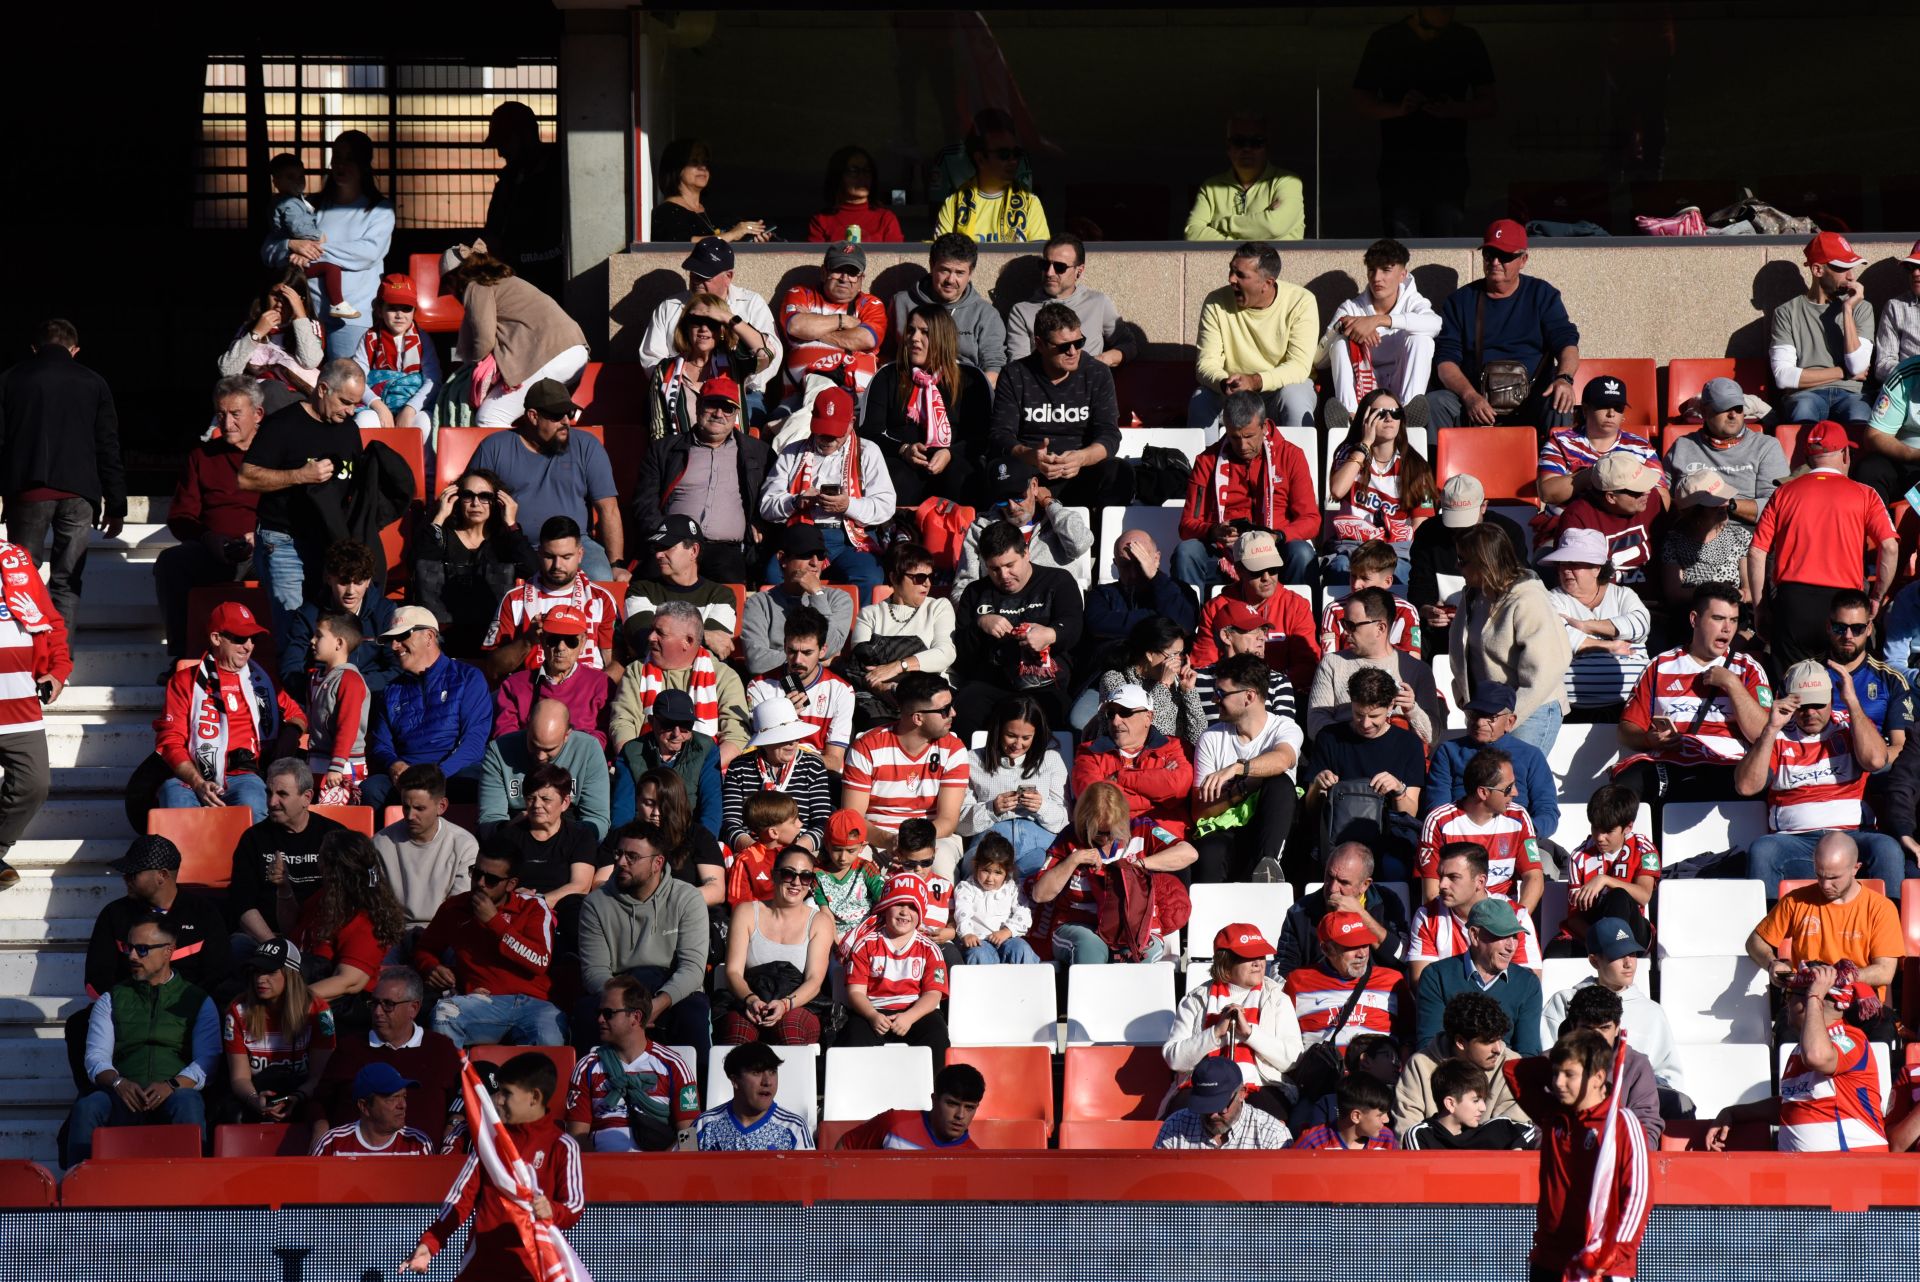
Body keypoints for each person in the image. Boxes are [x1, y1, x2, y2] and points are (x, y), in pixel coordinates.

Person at [405, 1052, 584, 1276]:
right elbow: (460, 1200)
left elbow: (574, 1206)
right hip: (481, 1267)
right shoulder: (489, 1143)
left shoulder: (563, 1146)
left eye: (506, 1093)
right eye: (498, 1092)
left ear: (534, 1098)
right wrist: (429, 1244)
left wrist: (552, 1210)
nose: (497, 1099)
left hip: (534, 1268)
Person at [1737, 660, 1903, 893]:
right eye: (1802, 705)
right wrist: (1770, 729)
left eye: (1817, 703)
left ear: (1830, 699)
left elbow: (1876, 760)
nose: (1810, 712)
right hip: (1794, 840)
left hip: (1851, 835)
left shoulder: (1848, 725)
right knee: (1763, 850)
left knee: (1887, 848)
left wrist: (1853, 702)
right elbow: (1746, 787)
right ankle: (1770, 927)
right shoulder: (1778, 734)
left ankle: (1889, 925)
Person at [64, 916, 219, 1164]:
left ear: (168, 951)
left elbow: (208, 1060)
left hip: (173, 1094)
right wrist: (118, 1083)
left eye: (142, 949)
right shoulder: (112, 998)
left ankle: (192, 1190)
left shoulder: (199, 1000)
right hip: (122, 1093)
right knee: (88, 1106)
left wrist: (171, 1085)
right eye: (129, 948)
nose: (132, 956)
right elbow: (95, 1058)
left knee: (188, 1101)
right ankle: (77, 1191)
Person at [1748, 420, 1898, 667]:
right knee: (1840, 690)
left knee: (1789, 693)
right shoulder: (1865, 494)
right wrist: (1876, 597)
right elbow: (1890, 547)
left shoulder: (1783, 493)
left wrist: (1760, 607)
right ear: (1845, 453)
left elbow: (1756, 552)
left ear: (1807, 456)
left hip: (1793, 603)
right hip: (1844, 606)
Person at [238, 357, 366, 644]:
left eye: (356, 404)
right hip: (285, 540)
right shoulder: (283, 424)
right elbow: (245, 478)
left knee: (327, 632)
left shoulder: (349, 429)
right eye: (346, 401)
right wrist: (300, 475)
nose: (351, 411)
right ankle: (290, 686)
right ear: (323, 389)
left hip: (327, 542)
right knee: (294, 626)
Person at [1612, 583, 1771, 806]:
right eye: (1718, 618)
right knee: (1624, 786)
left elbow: (1762, 734)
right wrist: (1649, 739)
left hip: (1728, 765)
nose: (1727, 628)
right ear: (1694, 619)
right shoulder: (1660, 666)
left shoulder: (1748, 668)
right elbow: (1626, 731)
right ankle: (1633, 842)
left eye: (1733, 620)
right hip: (1672, 764)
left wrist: (1733, 685)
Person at [1709, 960, 1887, 1155]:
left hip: (1851, 1168)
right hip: (1805, 1173)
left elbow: (1816, 1057)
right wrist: (1734, 1113)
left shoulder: (1851, 1039)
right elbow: (1791, 1104)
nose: (1786, 1003)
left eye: (1791, 995)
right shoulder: (1800, 1049)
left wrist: (1813, 995)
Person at [1351, 7, 1497, 237]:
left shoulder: (1465, 39)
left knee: (1444, 241)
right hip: (1399, 166)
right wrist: (1398, 109)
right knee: (1399, 245)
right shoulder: (1386, 40)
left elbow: (1489, 103)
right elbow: (1361, 102)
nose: (1434, 35)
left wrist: (1452, 109)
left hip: (1448, 167)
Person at [153, 603, 305, 823]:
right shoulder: (184, 681)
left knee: (253, 801)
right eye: (240, 638)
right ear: (216, 638)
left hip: (245, 775)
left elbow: (297, 714)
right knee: (174, 796)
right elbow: (170, 741)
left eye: (253, 639)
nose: (249, 646)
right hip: (193, 777)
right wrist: (198, 782)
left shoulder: (262, 680)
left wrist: (289, 736)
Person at [577, 821, 712, 1059]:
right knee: (587, 1011)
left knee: (694, 1012)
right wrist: (625, 1008)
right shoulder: (595, 904)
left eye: (632, 856)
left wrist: (655, 1005)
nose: (620, 862)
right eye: (618, 853)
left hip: (671, 991)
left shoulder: (687, 898)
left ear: (657, 863)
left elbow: (692, 969)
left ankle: (695, 1092)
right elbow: (594, 972)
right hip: (619, 991)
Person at [1427, 220, 1580, 430]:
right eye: (1489, 254)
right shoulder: (1461, 300)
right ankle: (1438, 463)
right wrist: (1470, 396)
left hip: (1531, 401)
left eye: (1505, 255)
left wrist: (1564, 380)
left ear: (1523, 259)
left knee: (1560, 402)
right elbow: (1445, 362)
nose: (1495, 262)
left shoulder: (1542, 294)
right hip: (1477, 403)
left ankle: (1555, 463)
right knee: (1436, 403)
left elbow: (1567, 343)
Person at [468, 380, 626, 582]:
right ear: (533, 416)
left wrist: (616, 565)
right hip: (513, 544)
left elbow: (608, 509)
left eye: (568, 414)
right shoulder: (494, 447)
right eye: (557, 415)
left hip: (575, 545)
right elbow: (469, 499)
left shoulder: (587, 446)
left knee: (601, 578)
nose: (566, 421)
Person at [1027, 782, 1196, 966]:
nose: (1107, 838)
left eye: (1113, 831)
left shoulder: (1141, 828)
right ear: (1085, 821)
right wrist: (1073, 860)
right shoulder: (1069, 838)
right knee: (1090, 947)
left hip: (1133, 924)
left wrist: (1140, 864)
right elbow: (1040, 894)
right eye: (1100, 832)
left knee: (1138, 951)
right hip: (1081, 923)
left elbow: (1189, 853)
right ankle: (1091, 994)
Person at [1528, 1030, 1651, 1282]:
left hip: (1599, 1265)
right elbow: (1514, 1071)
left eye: (1569, 1074)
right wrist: (1567, 1052)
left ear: (1598, 1078)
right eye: (1554, 1073)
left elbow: (1638, 1196)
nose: (1558, 1083)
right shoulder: (1554, 1115)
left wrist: (1610, 1255)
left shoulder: (1622, 1123)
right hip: (1549, 1259)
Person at [413, 844, 562, 1050]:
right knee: (444, 1014)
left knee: (549, 1037)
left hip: (534, 1005)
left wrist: (494, 921)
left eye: (491, 880)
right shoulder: (454, 907)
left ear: (511, 884)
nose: (480, 883)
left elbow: (539, 961)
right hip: (482, 1002)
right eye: (476, 874)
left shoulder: (533, 907)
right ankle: (456, 1081)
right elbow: (424, 949)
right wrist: (431, 967)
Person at [156, 377, 263, 662]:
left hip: (262, 551)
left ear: (258, 414)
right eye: (221, 414)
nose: (227, 424)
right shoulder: (203, 456)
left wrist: (260, 536)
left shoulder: (274, 453)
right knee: (171, 563)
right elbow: (181, 516)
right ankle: (182, 657)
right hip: (214, 550)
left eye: (236, 414)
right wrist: (207, 538)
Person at [263, 131, 394, 358]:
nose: (341, 164)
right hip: (304, 314)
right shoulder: (308, 206)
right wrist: (292, 244)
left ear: (364, 164)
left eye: (350, 158)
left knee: (343, 385)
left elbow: (368, 253)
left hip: (353, 318)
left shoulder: (380, 209)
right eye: (337, 157)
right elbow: (268, 252)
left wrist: (313, 251)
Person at [759, 390, 895, 606]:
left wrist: (848, 504)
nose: (827, 439)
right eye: (823, 432)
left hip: (850, 540)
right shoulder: (793, 452)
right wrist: (796, 502)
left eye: (835, 433)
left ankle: (857, 638)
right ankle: (789, 636)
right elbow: (767, 505)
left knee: (869, 577)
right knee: (775, 575)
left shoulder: (868, 451)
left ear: (851, 423)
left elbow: (886, 506)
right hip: (803, 537)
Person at [1747, 833, 1902, 1018]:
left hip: (1859, 1004)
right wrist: (1772, 963)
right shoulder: (1796, 901)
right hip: (1806, 1002)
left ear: (1856, 868)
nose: (1825, 885)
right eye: (1819, 875)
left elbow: (1884, 972)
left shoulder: (1880, 908)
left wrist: (1837, 978)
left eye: (1834, 877)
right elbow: (1755, 941)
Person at [1175, 390, 1319, 590]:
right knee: (1187, 552)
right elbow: (1187, 525)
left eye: (1249, 436)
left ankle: (1299, 619)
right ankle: (1188, 620)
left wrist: (1278, 536)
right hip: (1224, 554)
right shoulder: (1207, 461)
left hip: (1275, 551)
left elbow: (1311, 520)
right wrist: (1213, 531)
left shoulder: (1290, 456)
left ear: (1264, 426)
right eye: (1234, 437)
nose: (1242, 445)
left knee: (1302, 553)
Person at [988, 303, 1126, 509]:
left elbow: (1109, 435)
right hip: (1030, 472)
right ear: (1040, 344)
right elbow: (1000, 435)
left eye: (1079, 343)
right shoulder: (1015, 374)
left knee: (1119, 472)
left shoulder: (1097, 373)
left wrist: (1082, 458)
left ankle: (1098, 537)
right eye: (1063, 346)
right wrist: (1031, 456)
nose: (1073, 351)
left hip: (1080, 471)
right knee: (998, 469)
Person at [952, 521, 1086, 734]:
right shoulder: (975, 592)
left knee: (1060, 714)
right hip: (990, 683)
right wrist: (979, 625)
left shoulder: (1057, 581)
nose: (1004, 575)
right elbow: (960, 654)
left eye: (1010, 565)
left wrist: (1051, 634)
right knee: (963, 710)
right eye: (994, 569)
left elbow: (1075, 626)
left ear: (1026, 554)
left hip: (1044, 683)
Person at [1448, 523, 1571, 753]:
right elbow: (1463, 651)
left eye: (1463, 560)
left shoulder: (1528, 598)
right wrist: (1463, 693)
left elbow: (1547, 668)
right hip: (1487, 713)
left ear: (1485, 562)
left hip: (1530, 711)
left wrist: (1508, 716)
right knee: (1487, 785)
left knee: (1514, 785)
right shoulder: (1474, 594)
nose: (1457, 565)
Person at [632, 393, 770, 594]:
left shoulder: (759, 452)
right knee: (645, 591)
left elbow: (773, 493)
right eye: (712, 406)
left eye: (727, 409)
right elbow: (644, 503)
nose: (718, 414)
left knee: (732, 596)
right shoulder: (664, 450)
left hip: (725, 550)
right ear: (697, 407)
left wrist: (760, 521)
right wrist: (663, 537)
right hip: (673, 544)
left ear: (736, 415)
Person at [309, 966, 463, 1145]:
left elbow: (463, 1099)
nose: (377, 1012)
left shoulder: (440, 1049)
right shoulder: (350, 1048)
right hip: (354, 1163)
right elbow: (318, 1102)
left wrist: (454, 1122)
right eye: (374, 1003)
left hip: (423, 1165)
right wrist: (319, 1127)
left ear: (413, 1008)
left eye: (388, 1004)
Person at [1539, 916, 1685, 1102]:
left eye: (1632, 953)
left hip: (1637, 1101)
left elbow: (1669, 1074)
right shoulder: (1565, 1001)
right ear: (1594, 961)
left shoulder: (1652, 1012)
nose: (1629, 963)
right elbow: (1548, 1062)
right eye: (1618, 955)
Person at [362, 607, 492, 813]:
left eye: (402, 636)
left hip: (453, 773)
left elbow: (474, 742)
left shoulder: (468, 678)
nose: (394, 646)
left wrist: (437, 776)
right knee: (372, 789)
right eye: (392, 640)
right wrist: (394, 764)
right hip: (408, 778)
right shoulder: (390, 690)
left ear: (429, 636)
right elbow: (381, 744)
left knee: (477, 781)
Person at [860, 304, 990, 508]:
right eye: (911, 330)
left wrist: (950, 452)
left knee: (961, 476)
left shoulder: (970, 378)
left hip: (953, 458)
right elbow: (869, 432)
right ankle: (899, 534)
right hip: (903, 460)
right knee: (895, 477)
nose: (914, 338)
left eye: (925, 332)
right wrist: (903, 450)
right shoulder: (888, 376)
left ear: (942, 337)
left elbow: (982, 435)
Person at [1164, 924, 1303, 1112]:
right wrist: (1215, 1032)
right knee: (1181, 1116)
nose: (1259, 963)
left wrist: (1250, 1034)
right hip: (1204, 1086)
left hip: (1261, 1086)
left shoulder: (1278, 998)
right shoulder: (1195, 999)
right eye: (1248, 957)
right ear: (1225, 963)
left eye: (1261, 956)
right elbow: (1174, 1059)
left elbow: (1292, 1060)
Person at [638, 236, 782, 417]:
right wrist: (682, 386)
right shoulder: (670, 306)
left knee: (751, 427)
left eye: (704, 275)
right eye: (693, 273)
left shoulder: (750, 303)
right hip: (679, 392)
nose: (696, 280)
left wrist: (737, 380)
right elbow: (651, 358)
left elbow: (771, 355)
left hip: (742, 392)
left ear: (728, 276)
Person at [1192, 653, 1303, 883]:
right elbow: (1200, 811)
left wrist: (1237, 769)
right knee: (1210, 849)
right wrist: (1244, 788)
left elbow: (1283, 759)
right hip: (1228, 829)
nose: (1214, 699)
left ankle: (1268, 870)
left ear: (1249, 696)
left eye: (1221, 693)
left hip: (1271, 828)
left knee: (1279, 781)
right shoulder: (1211, 738)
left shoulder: (1284, 727)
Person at [1304, 669, 1426, 879]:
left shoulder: (1408, 744)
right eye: (1359, 714)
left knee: (1393, 867)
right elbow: (1310, 807)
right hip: (1338, 836)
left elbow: (1410, 813)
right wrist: (1317, 786)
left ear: (1390, 707)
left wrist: (1398, 789)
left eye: (1374, 716)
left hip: (1387, 838)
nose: (1366, 723)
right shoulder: (1330, 738)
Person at [840, 672, 970, 869]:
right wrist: (888, 840)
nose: (953, 713)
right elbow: (853, 817)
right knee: (854, 866)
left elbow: (948, 820)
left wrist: (912, 844)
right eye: (945, 710)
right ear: (918, 718)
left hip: (932, 838)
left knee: (940, 866)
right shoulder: (867, 746)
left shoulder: (953, 749)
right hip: (876, 838)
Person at [411, 468, 539, 660]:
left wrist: (511, 523)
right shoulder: (443, 536)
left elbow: (533, 569)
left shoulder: (504, 541)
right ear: (456, 499)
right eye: (467, 495)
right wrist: (439, 516)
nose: (475, 503)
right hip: (445, 636)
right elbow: (417, 565)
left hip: (490, 636)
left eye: (485, 496)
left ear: (497, 502)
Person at [0, 533, 67, 892]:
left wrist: (58, 671)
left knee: (34, 784)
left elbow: (51, 623)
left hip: (20, 703)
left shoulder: (16, 561)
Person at [1190, 242, 1318, 428]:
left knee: (1295, 397)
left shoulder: (1301, 302)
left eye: (1241, 275)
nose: (1231, 279)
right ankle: (1203, 457)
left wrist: (1255, 381)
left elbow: (1299, 367)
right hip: (1232, 395)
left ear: (1267, 283)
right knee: (1201, 399)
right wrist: (1225, 383)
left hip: (1278, 392)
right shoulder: (1215, 302)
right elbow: (1205, 364)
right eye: (1231, 271)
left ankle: (1298, 457)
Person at [606, 599, 751, 763]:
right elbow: (622, 722)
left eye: (660, 633)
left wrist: (698, 772)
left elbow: (737, 736)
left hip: (705, 772)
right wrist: (638, 766)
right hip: (646, 769)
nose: (651, 637)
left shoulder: (724, 676)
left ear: (688, 641)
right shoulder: (636, 671)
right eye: (652, 629)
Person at [85, 836, 229, 999]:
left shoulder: (203, 912)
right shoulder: (114, 914)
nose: (125, 879)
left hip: (187, 1012)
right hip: (127, 1012)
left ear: (162, 875)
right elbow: (97, 978)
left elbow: (218, 974)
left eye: (133, 874)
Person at [720, 845, 834, 1045]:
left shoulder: (819, 922)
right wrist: (751, 1000)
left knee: (790, 1028)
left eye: (805, 876)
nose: (797, 882)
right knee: (738, 1033)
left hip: (798, 1002)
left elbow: (814, 980)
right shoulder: (746, 912)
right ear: (774, 875)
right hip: (751, 996)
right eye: (789, 874)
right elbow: (733, 972)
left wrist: (785, 1004)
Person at [1324, 389, 1439, 587]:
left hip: (1395, 550)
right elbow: (1337, 490)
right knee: (1340, 568)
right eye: (1380, 413)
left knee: (1402, 573)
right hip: (1353, 546)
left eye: (1395, 413)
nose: (1389, 418)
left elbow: (1422, 525)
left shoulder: (1417, 467)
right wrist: (1365, 444)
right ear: (1365, 419)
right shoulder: (1348, 455)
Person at [482, 519, 620, 679]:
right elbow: (492, 668)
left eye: (566, 557)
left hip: (587, 694)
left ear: (580, 554)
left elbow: (616, 663)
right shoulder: (515, 599)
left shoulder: (601, 599)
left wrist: (591, 695)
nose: (557, 565)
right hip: (532, 692)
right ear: (539, 553)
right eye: (549, 556)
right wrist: (527, 641)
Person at [1315, 238, 1441, 413]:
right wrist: (1343, 329)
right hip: (1363, 389)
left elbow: (1435, 324)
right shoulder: (1352, 308)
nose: (1377, 278)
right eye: (1372, 270)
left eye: (1386, 270)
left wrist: (1380, 320)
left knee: (1422, 340)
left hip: (1400, 387)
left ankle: (1408, 416)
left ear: (1402, 275)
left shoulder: (1413, 301)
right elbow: (1319, 362)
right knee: (1340, 344)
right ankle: (1348, 417)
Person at [1408, 472, 1529, 652]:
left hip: (1496, 628)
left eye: (1466, 521)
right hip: (1442, 633)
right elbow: (1420, 585)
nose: (1460, 529)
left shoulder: (1508, 533)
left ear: (1484, 507)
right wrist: (1427, 609)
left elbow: (1520, 586)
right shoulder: (1428, 534)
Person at [1423, 682, 1560, 841]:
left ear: (1510, 721)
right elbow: (1437, 807)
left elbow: (1547, 811)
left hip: (1517, 839)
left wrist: (1525, 832)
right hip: (1461, 840)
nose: (1480, 722)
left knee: (1545, 865)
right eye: (1475, 714)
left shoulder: (1531, 756)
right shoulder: (1448, 751)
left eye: (1490, 717)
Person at [1305, 586, 1441, 746]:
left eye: (1352, 625)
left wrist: (1412, 710)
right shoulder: (1331, 663)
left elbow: (1433, 737)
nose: (1345, 631)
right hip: (1344, 753)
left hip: (1395, 758)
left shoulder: (1417, 670)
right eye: (1344, 623)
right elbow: (1315, 723)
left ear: (1380, 628)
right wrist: (1354, 737)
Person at [1188, 531, 1321, 694]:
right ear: (1238, 570)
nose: (1267, 577)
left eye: (1273, 569)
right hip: (1228, 696)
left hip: (1281, 694)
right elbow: (1203, 664)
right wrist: (1238, 689)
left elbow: (1307, 666)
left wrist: (1266, 687)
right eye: (1257, 571)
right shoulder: (1216, 608)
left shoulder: (1296, 605)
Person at [1417, 747, 1544, 914]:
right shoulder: (1439, 822)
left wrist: (1518, 919)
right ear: (1483, 792)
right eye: (1508, 788)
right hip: (1455, 919)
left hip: (1504, 918)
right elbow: (1432, 893)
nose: (1515, 792)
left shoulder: (1519, 817)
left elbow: (1534, 877)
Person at [223, 936, 334, 1123]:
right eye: (256, 972)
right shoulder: (237, 1009)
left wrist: (297, 1097)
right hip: (256, 1091)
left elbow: (318, 1077)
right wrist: (254, 1100)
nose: (260, 979)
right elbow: (239, 1078)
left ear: (290, 974)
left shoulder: (319, 1010)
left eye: (270, 972)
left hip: (302, 1093)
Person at [1771, 231, 1876, 426]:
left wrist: (1847, 309)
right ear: (1818, 270)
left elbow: (1858, 366)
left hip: (1851, 394)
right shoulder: (1786, 312)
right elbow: (1783, 377)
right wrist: (1843, 373)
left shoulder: (1861, 307)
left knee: (1861, 419)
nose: (1851, 276)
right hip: (1806, 395)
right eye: (1842, 268)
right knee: (1803, 413)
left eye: (1851, 267)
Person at [1542, 527, 1651, 712]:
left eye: (1574, 564)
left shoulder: (1622, 594)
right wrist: (1610, 645)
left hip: (1630, 706)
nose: (1566, 570)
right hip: (1573, 709)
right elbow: (1560, 638)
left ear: (1596, 568)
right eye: (1562, 564)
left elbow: (1640, 625)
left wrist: (1586, 626)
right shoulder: (1553, 599)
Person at [1414, 898, 1543, 1055]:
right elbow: (1430, 1046)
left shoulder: (1527, 983)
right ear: (1474, 935)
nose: (1511, 946)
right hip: (1451, 1073)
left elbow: (1528, 1054)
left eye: (1515, 936)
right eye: (1502, 936)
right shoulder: (1436, 976)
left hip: (1503, 1075)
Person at [1070, 681, 1195, 841]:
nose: (1116, 721)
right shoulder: (1089, 752)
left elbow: (1177, 789)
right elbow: (1097, 803)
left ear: (1148, 717)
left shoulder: (1175, 746)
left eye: (1125, 712)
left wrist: (1120, 777)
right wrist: (1157, 796)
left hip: (1166, 842)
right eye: (1111, 714)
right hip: (1112, 843)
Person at [952, 459, 1094, 598]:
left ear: (1034, 486)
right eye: (1002, 500)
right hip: (1000, 612)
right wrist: (983, 617)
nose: (1012, 507)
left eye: (1019, 497)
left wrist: (1049, 503)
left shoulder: (1059, 520)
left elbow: (1079, 545)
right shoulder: (980, 528)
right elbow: (963, 588)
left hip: (1051, 610)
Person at [960, 695, 1069, 876]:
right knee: (980, 872)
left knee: (1045, 870)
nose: (1017, 744)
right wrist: (991, 809)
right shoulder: (973, 760)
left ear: (1037, 735)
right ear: (998, 730)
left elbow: (1065, 821)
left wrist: (1042, 807)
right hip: (990, 842)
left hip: (1038, 841)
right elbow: (961, 824)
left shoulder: (1051, 760)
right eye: (1010, 736)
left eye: (1026, 737)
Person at [841, 874, 950, 1053]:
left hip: (916, 1012)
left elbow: (933, 995)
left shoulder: (930, 949)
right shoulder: (864, 944)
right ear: (885, 908)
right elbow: (855, 993)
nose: (904, 912)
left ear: (921, 913)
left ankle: (936, 1082)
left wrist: (909, 1017)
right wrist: (872, 1015)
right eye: (899, 904)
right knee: (852, 1038)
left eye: (912, 907)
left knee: (937, 1037)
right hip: (873, 1011)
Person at [1394, 990, 1529, 1134]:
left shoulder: (1512, 1066)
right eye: (1488, 1042)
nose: (1498, 1048)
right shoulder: (1420, 1065)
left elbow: (1512, 1131)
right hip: (1433, 1155)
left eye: (1499, 1039)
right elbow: (1407, 1131)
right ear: (1460, 1042)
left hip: (1490, 1155)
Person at [478, 763, 605, 916]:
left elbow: (580, 886)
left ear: (565, 803)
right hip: (512, 911)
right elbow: (493, 882)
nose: (537, 805)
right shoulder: (508, 837)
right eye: (531, 798)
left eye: (545, 799)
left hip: (561, 914)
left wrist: (536, 901)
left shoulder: (580, 837)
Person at [1407, 842, 1543, 981]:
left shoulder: (1517, 916)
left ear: (1480, 881)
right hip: (1449, 1003)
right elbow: (1422, 984)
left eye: (1453, 877)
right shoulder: (1427, 916)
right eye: (1440, 876)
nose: (1442, 885)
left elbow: (1529, 984)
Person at [478, 698, 611, 840]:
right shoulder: (499, 751)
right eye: (534, 745)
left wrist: (565, 838)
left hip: (570, 837)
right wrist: (511, 829)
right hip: (515, 837)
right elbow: (489, 822)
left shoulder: (588, 750)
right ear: (527, 727)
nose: (540, 756)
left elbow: (597, 819)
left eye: (549, 749)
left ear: (567, 735)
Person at [279, 540, 397, 699]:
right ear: (329, 578)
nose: (351, 591)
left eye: (358, 582)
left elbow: (397, 668)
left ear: (368, 581)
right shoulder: (309, 614)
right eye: (343, 582)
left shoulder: (384, 612)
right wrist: (320, 691)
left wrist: (356, 686)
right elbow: (290, 669)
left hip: (372, 698)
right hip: (322, 699)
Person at [1272, 842, 1409, 977]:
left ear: (1365, 885)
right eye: (1329, 876)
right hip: (1320, 994)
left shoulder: (1387, 903)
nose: (1332, 888)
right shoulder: (1300, 912)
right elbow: (1282, 970)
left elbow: (1402, 959)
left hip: (1375, 994)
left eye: (1343, 882)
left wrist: (1361, 915)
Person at [622, 515, 748, 660]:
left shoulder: (721, 595)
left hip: (704, 678)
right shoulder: (640, 590)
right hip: (652, 677)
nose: (658, 554)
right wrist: (704, 636)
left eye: (667, 547)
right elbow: (644, 643)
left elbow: (714, 651)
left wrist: (665, 637)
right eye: (657, 548)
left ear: (693, 551)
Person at [1551, 789, 1659, 957]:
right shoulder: (1578, 857)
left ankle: (1616, 958)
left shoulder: (1643, 849)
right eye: (1595, 828)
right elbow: (1574, 918)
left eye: (1608, 831)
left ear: (1628, 827)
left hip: (1635, 933)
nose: (1600, 837)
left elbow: (1644, 895)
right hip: (1594, 932)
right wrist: (1599, 939)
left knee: (1618, 896)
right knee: (1554, 953)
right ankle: (1608, 951)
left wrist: (1604, 880)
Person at [1535, 375, 1666, 514]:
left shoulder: (1642, 447)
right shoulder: (1560, 442)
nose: (1611, 413)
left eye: (1618, 408)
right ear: (1585, 410)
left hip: (1627, 527)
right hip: (1568, 526)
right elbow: (1547, 493)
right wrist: (1596, 473)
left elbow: (1662, 497)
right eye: (1603, 406)